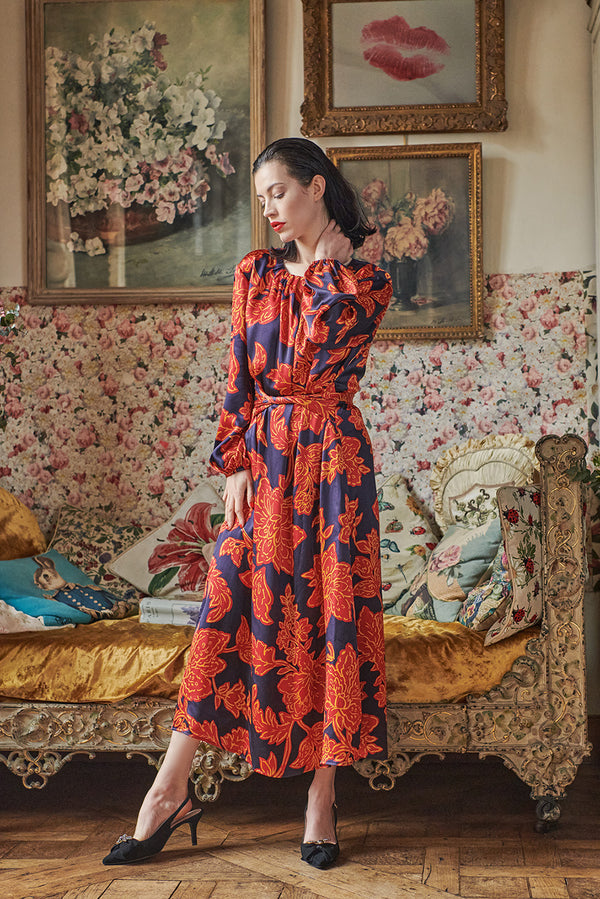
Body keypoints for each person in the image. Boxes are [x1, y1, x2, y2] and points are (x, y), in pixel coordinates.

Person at [102, 137, 392, 869]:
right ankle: (168, 789)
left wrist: (325, 266)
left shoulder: (364, 281)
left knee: (332, 619)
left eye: (279, 192)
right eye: (261, 197)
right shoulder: (253, 273)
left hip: (334, 461)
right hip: (263, 460)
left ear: (317, 187)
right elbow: (240, 371)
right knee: (226, 605)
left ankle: (322, 797)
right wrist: (232, 463)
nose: (269, 209)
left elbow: (316, 344)